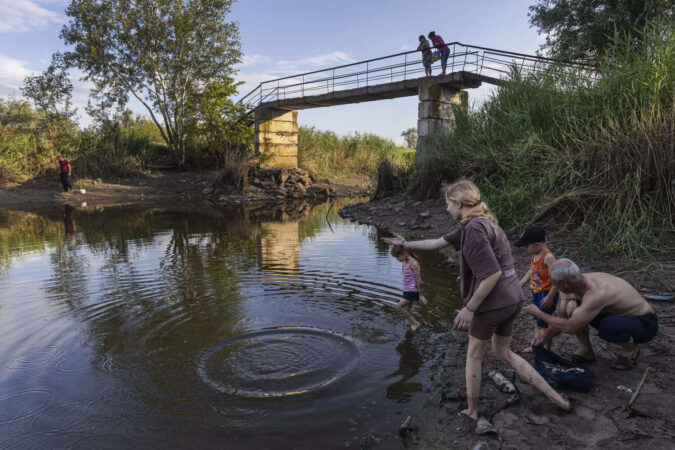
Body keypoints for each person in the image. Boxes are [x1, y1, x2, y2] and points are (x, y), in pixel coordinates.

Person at [383, 180, 572, 420]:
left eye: (447, 204)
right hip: (513, 297)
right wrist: (405, 244)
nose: (446, 209)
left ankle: (472, 412)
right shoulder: (481, 223)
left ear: (458, 203)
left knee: (474, 356)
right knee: (505, 354)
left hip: (493, 303)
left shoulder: (472, 230)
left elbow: (492, 274)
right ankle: (557, 398)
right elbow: (437, 243)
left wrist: (469, 308)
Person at [523, 259, 658, 370]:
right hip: (622, 317)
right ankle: (586, 351)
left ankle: (630, 350)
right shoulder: (578, 282)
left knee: (608, 326)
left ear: (564, 284)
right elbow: (563, 319)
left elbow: (570, 327)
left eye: (554, 284)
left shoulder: (597, 293)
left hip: (645, 324)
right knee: (573, 308)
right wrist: (543, 338)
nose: (554, 288)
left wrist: (539, 313)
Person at [516, 226, 559, 352]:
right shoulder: (535, 254)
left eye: (526, 246)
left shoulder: (548, 258)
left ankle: (546, 349)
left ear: (537, 244)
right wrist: (522, 282)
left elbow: (557, 279)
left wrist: (550, 297)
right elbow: (532, 270)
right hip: (537, 292)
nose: (525, 249)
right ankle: (535, 345)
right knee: (537, 320)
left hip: (547, 294)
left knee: (543, 323)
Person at [391, 245, 428, 332]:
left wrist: (421, 295)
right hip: (406, 289)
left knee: (399, 307)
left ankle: (415, 323)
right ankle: (409, 323)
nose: (397, 259)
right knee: (408, 309)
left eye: (397, 256)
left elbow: (419, 280)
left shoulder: (414, 264)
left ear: (404, 253)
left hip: (413, 290)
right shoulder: (404, 261)